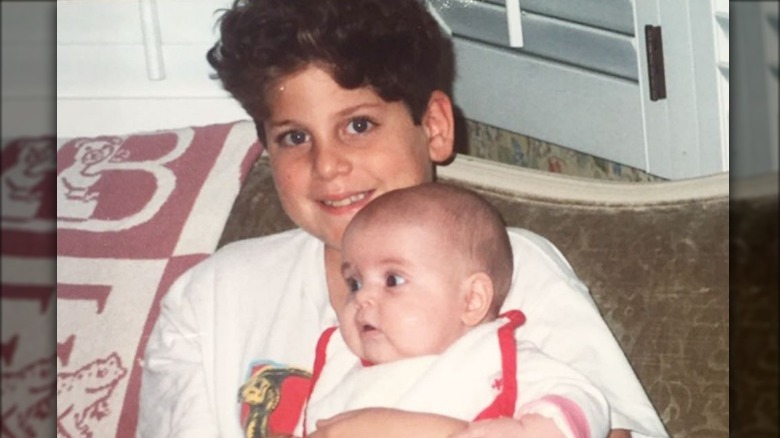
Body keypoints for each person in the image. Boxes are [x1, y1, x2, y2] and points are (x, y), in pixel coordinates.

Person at [138, 0, 668, 437]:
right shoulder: (209, 298)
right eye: (295, 137)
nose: (328, 165)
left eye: (360, 124)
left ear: (434, 127)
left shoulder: (507, 268)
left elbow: (608, 424)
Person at [302, 182, 610, 438]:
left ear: (472, 300)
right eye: (354, 283)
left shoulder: (491, 362)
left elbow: (584, 404)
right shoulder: (342, 372)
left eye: (393, 280)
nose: (362, 298)